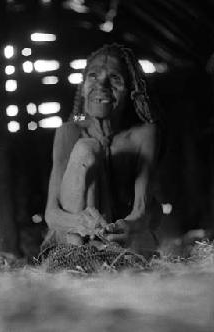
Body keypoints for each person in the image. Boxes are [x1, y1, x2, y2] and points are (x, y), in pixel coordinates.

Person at [43, 44, 163, 257]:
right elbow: (51, 214)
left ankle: (108, 258)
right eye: (93, 76)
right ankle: (79, 260)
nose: (102, 85)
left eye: (115, 78)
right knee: (87, 149)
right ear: (83, 86)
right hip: (74, 241)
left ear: (131, 90)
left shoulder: (143, 134)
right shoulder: (69, 131)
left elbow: (142, 210)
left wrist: (127, 226)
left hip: (121, 244)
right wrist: (80, 224)